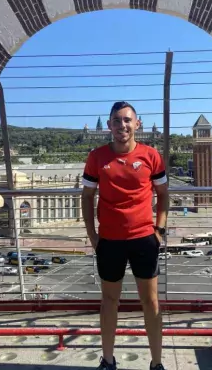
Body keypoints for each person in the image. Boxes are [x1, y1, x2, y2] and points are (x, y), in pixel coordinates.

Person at [82, 101, 169, 370]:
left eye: (127, 120)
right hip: (109, 240)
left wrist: (159, 230)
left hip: (144, 238)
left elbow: (164, 195)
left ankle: (157, 363)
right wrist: (93, 236)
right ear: (109, 125)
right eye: (117, 120)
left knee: (151, 302)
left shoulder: (151, 156)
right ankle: (108, 361)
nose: (123, 125)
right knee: (109, 302)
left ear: (137, 124)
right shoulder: (96, 157)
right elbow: (87, 197)